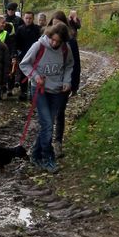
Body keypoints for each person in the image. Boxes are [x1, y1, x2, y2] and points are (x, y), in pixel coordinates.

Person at [19, 21, 74, 173]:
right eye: (53, 39)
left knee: (46, 126)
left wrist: (66, 81)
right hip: (39, 90)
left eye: (58, 41)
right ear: (49, 35)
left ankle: (35, 155)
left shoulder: (65, 49)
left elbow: (70, 65)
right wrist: (35, 76)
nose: (54, 43)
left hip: (56, 91)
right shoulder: (39, 46)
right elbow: (24, 64)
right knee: (48, 124)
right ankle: (48, 158)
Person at [49, 10, 81, 158]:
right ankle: (46, 141)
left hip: (64, 83)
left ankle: (58, 143)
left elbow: (75, 64)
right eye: (54, 24)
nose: (56, 27)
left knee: (59, 111)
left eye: (59, 24)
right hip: (49, 82)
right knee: (48, 113)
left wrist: (74, 84)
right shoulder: (47, 40)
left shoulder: (71, 42)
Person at [13, 11, 41, 101]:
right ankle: (23, 91)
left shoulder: (37, 29)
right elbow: (16, 42)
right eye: (26, 18)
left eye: (30, 18)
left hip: (35, 55)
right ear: (24, 18)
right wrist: (15, 53)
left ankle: (33, 92)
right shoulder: (20, 29)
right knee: (23, 74)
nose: (28, 20)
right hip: (23, 54)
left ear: (33, 19)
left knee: (34, 73)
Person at [0, 12, 16, 98]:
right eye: (2, 23)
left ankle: (2, 86)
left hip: (2, 58)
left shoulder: (6, 34)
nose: (4, 24)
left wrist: (12, 56)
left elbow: (11, 47)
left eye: (5, 22)